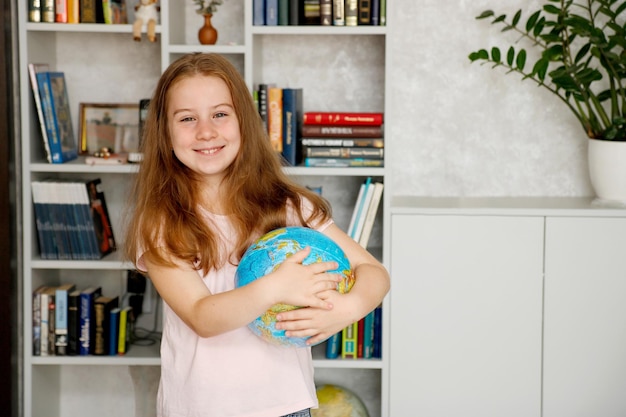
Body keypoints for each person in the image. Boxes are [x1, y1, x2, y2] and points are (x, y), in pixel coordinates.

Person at [124, 52, 390, 417]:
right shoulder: (161, 221)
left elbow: (374, 272)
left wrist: (348, 308)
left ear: (244, 122)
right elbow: (202, 317)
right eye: (187, 119)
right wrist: (277, 287)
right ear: (164, 133)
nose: (206, 131)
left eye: (220, 114)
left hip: (289, 406)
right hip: (202, 409)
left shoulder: (288, 205)